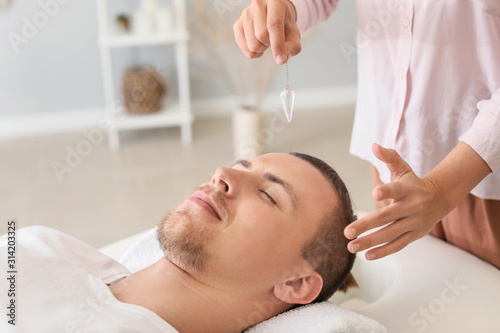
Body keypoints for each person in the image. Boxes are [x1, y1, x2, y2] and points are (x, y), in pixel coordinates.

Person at [233, 0, 500, 269]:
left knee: (484, 299)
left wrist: (441, 190)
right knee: (410, 283)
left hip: (480, 173)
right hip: (391, 161)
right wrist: (288, 7)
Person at [0, 152, 358, 333]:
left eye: (268, 195)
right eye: (238, 165)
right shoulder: (38, 245)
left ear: (295, 283)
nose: (222, 175)